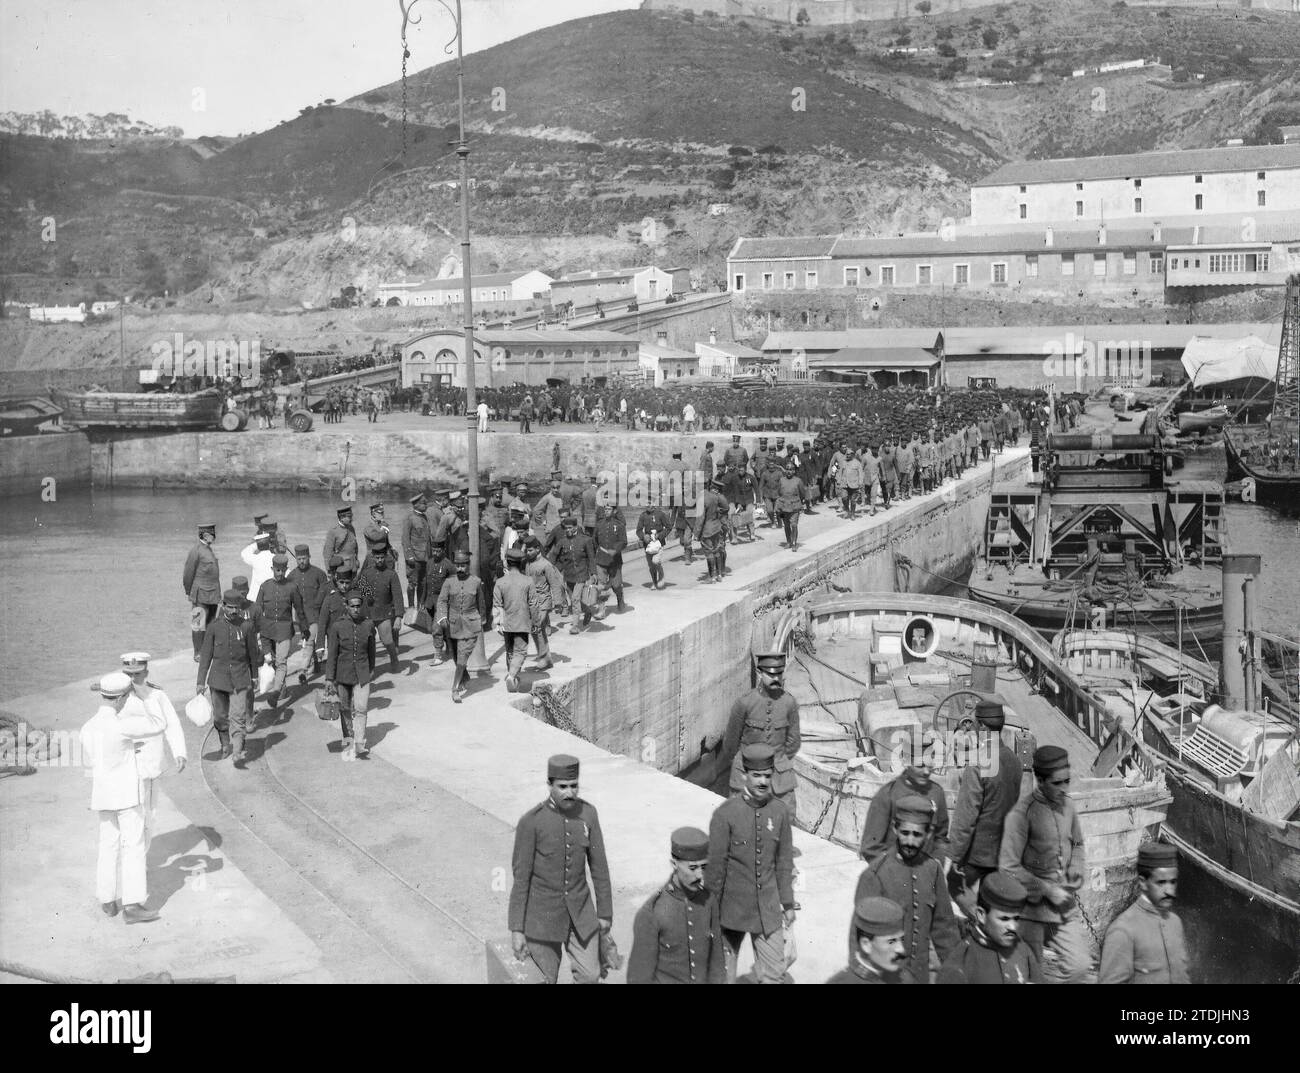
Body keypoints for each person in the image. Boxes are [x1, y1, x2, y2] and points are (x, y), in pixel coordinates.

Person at [508, 754, 613, 985]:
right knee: (546, 980)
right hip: (541, 918)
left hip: (580, 913)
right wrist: (517, 928)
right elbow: (521, 879)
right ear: (549, 785)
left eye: (574, 786)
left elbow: (600, 869)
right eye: (562, 787)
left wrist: (605, 914)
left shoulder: (588, 814)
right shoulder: (531, 822)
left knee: (590, 975)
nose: (569, 792)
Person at [999, 745, 1097, 984]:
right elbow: (1008, 867)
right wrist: (1047, 890)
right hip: (1028, 912)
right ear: (1040, 780)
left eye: (1067, 781)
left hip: (1062, 908)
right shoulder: (1021, 815)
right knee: (1029, 975)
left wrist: (1075, 872)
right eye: (1057, 783)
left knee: (1080, 967)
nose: (1064, 789)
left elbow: (1078, 845)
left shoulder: (1069, 806)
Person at [80, 671, 167, 924]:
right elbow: (159, 724)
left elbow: (98, 758)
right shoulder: (122, 725)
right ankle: (132, 905)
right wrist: (145, 694)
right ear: (119, 699)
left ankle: (107, 899)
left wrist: (127, 750)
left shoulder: (88, 727)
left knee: (107, 845)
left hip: (103, 796)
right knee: (133, 847)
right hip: (127, 797)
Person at [705, 744, 796, 984]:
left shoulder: (779, 812)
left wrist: (786, 903)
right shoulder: (725, 814)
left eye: (767, 775)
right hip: (730, 912)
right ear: (745, 775)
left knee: (775, 976)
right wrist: (708, 912)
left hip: (767, 911)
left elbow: (784, 862)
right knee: (720, 977)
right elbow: (715, 869)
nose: (763, 782)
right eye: (757, 775)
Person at [854, 794, 960, 984]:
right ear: (895, 828)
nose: (910, 841)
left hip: (920, 977)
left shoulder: (932, 869)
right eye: (905, 833)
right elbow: (859, 941)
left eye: (917, 834)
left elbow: (945, 929)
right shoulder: (875, 875)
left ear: (928, 834)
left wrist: (957, 972)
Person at [627, 827, 725, 984]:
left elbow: (717, 964)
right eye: (692, 868)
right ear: (674, 864)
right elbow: (639, 977)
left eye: (704, 867)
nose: (700, 875)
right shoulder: (652, 912)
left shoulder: (709, 901)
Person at [947, 698, 1021, 902]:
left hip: (978, 856)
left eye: (976, 724)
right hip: (1003, 852)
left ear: (983, 726)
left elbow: (966, 817)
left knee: (952, 888)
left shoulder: (978, 764)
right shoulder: (1014, 760)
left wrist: (953, 855)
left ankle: (976, 926)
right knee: (992, 902)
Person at [118, 652, 187, 855]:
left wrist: (179, 752)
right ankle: (131, 854)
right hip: (125, 764)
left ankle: (140, 857)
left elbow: (172, 724)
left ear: (146, 672)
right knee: (130, 813)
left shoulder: (156, 695)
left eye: (137, 674)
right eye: (129, 674)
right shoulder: (117, 696)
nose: (132, 679)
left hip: (149, 765)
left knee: (149, 814)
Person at [723, 652, 801, 819]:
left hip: (779, 778)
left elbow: (793, 743)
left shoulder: (789, 703)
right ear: (760, 673)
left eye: (778, 673)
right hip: (746, 774)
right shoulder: (744, 703)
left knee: (786, 822)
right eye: (770, 674)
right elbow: (730, 745)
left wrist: (777, 762)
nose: (775, 678)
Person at [1099, 842, 1189, 984]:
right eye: (1161, 882)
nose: (1170, 891)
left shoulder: (1175, 923)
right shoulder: (1123, 930)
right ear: (1143, 882)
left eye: (1173, 882)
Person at [858, 730, 949, 865]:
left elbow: (940, 838)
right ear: (906, 761)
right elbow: (870, 847)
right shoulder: (887, 795)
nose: (926, 772)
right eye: (920, 766)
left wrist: (935, 866)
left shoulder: (937, 792)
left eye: (929, 766)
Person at [936, 871, 1041, 984]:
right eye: (1004, 919)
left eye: (1016, 919)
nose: (1013, 927)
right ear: (981, 915)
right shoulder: (962, 959)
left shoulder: (1022, 950)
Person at [196, 588, 259, 766]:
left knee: (238, 716)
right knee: (219, 717)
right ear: (223, 606)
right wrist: (200, 682)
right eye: (229, 607)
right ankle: (225, 745)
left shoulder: (247, 627)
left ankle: (237, 751)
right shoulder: (214, 627)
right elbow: (206, 656)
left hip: (240, 679)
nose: (233, 611)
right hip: (218, 680)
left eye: (236, 608)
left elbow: (253, 654)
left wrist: (254, 676)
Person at [254, 553, 310, 710]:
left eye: (282, 570)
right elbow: (258, 610)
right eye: (277, 570)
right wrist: (254, 629)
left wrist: (304, 629)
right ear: (272, 569)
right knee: (270, 662)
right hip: (267, 630)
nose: (279, 574)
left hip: (285, 629)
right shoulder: (265, 586)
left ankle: (275, 692)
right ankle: (283, 690)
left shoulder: (292, 587)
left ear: (286, 569)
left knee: (281, 661)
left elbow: (300, 610)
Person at [326, 592, 377, 761]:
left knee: (361, 708)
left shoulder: (368, 624)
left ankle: (360, 744)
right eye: (352, 606)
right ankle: (348, 744)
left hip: (362, 673)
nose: (356, 609)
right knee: (345, 709)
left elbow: (372, 650)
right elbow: (332, 654)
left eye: (358, 606)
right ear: (346, 606)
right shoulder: (337, 626)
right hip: (343, 675)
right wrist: (329, 678)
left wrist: (371, 669)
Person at [435, 549, 485, 702]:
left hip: (471, 624)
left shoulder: (476, 582)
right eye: (457, 565)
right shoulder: (449, 582)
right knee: (456, 654)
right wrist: (442, 616)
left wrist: (482, 620)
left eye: (463, 565)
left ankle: (454, 690)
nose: (460, 569)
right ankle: (464, 675)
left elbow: (481, 603)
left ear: (468, 565)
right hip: (452, 623)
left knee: (462, 657)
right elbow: (442, 601)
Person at [825, 896, 912, 984]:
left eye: (901, 939)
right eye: (891, 942)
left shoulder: (905, 978)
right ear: (866, 945)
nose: (901, 949)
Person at [357, 531, 405, 672]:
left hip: (384, 613)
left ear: (385, 557)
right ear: (373, 557)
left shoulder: (392, 575)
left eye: (381, 558)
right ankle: (370, 668)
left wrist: (398, 617)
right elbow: (360, 587)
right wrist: (367, 595)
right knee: (368, 642)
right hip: (368, 614)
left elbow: (398, 597)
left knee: (387, 641)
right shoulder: (366, 573)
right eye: (377, 558)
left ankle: (394, 658)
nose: (379, 560)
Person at [546, 514, 597, 634]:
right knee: (574, 598)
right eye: (566, 528)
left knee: (574, 599)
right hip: (568, 576)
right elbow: (553, 555)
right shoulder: (562, 542)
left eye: (570, 528)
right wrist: (547, 566)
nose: (568, 530)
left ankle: (575, 626)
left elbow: (591, 558)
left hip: (581, 575)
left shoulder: (586, 540)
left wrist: (593, 573)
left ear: (575, 527)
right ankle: (587, 611)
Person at [494, 547, 536, 692]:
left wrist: (498, 623)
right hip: (522, 622)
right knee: (521, 651)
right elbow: (533, 604)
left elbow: (497, 605)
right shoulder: (528, 581)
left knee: (510, 651)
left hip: (506, 623)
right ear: (521, 563)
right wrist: (535, 622)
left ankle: (512, 677)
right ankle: (512, 676)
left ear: (507, 562)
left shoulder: (500, 582)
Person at [522, 536, 564, 671]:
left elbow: (555, 584)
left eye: (530, 550)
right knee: (536, 630)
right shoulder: (528, 563)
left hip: (544, 601)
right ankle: (546, 658)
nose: (527, 553)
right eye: (526, 551)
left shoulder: (546, 565)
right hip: (532, 601)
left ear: (537, 549)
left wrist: (558, 603)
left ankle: (543, 658)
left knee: (537, 627)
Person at [183, 522, 222, 660]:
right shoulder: (196, 550)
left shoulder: (208, 549)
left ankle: (208, 650)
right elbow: (188, 573)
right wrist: (189, 592)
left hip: (212, 593)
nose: (214, 536)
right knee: (198, 624)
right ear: (205, 535)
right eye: (212, 534)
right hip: (200, 594)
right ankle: (198, 652)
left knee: (211, 623)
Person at [593, 502, 628, 614]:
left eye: (609, 509)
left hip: (615, 561)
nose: (606, 511)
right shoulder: (599, 525)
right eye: (605, 509)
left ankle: (620, 598)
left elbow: (624, 542)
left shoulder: (619, 525)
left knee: (616, 585)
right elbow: (594, 541)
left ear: (614, 511)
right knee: (601, 586)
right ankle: (601, 609)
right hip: (601, 560)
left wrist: (615, 549)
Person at [402, 492, 434, 608]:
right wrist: (409, 556)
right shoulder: (410, 518)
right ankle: (411, 608)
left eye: (425, 503)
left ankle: (421, 607)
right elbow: (405, 539)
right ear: (416, 505)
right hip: (414, 558)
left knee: (423, 583)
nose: (425, 505)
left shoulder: (424, 517)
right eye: (423, 504)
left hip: (425, 557)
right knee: (412, 583)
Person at [696, 476, 729, 583]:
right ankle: (719, 575)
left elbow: (700, 519)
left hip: (707, 530)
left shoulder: (702, 498)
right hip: (717, 527)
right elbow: (723, 508)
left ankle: (711, 577)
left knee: (709, 552)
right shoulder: (715, 497)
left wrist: (696, 533)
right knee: (716, 551)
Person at [635, 502, 672, 590]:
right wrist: (644, 536)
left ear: (654, 504)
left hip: (659, 543)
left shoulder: (660, 514)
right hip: (648, 544)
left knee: (655, 561)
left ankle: (661, 575)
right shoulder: (643, 515)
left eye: (650, 503)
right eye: (647, 504)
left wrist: (660, 535)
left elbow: (669, 527)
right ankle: (654, 582)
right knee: (651, 565)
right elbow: (638, 530)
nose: (648, 506)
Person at [775, 461, 808, 551]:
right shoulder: (782, 480)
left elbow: (802, 494)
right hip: (783, 506)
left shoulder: (798, 481)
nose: (789, 471)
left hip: (794, 506)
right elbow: (779, 492)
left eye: (791, 469)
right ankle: (788, 541)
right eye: (787, 469)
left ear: (794, 471)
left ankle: (794, 543)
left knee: (793, 525)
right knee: (786, 525)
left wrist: (798, 502)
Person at [322, 506, 359, 574]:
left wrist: (356, 560)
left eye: (351, 516)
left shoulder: (351, 528)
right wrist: (329, 570)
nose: (351, 519)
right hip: (341, 568)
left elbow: (355, 547)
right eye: (349, 517)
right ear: (342, 518)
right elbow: (327, 553)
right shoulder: (333, 532)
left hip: (353, 567)